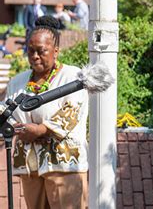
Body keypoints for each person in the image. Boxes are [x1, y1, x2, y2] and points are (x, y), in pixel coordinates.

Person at [2, 15, 89, 208]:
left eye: (41, 51)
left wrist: (40, 130)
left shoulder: (72, 77)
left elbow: (70, 114)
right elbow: (5, 113)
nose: (34, 56)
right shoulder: (18, 81)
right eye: (30, 51)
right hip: (30, 166)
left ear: (56, 51)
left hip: (64, 165)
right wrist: (15, 128)